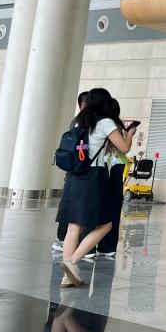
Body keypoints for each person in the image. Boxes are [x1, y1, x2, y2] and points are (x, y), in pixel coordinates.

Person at [55, 87, 130, 287]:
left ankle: (68, 276)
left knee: (73, 227)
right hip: (93, 177)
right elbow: (124, 148)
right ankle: (72, 262)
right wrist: (129, 134)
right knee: (105, 225)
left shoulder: (78, 120)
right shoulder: (105, 122)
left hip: (74, 176)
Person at [53, 90, 89, 253]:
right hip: (77, 168)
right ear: (83, 104)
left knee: (69, 204)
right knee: (70, 205)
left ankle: (62, 239)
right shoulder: (81, 122)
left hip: (73, 168)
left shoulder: (77, 120)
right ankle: (61, 239)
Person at [94, 98, 130, 258]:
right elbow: (125, 148)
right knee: (114, 207)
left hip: (102, 168)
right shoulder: (114, 126)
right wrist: (130, 135)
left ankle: (90, 245)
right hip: (114, 167)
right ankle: (107, 246)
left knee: (99, 206)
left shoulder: (97, 124)